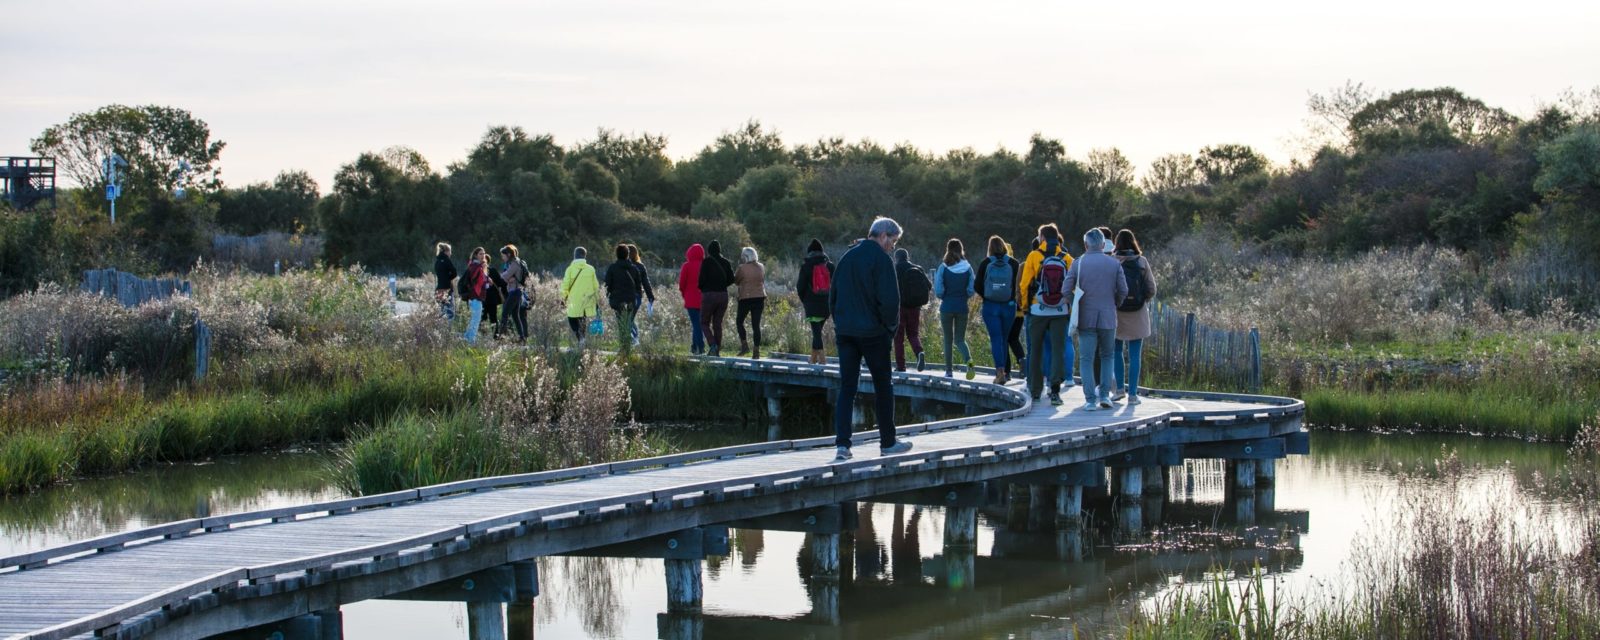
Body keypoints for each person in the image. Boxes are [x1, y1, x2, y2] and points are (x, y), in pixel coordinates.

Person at [830, 217, 915, 462]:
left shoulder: (847, 257)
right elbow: (890, 301)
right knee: (883, 386)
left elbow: (833, 296)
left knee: (847, 387)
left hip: (846, 332)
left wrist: (840, 323)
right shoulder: (881, 260)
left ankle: (842, 446)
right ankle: (888, 442)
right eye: (893, 241)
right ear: (883, 236)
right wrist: (889, 329)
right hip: (873, 333)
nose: (893, 247)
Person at [1064, 228, 1129, 411]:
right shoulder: (1114, 264)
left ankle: (1090, 399)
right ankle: (1105, 395)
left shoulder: (1079, 263)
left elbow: (1065, 289)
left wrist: (1075, 303)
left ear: (1086, 244)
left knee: (1086, 359)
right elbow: (1123, 290)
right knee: (1107, 356)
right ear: (1103, 244)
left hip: (1085, 317)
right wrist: (1114, 303)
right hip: (1108, 317)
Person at [1020, 225, 1075, 405]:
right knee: (1058, 349)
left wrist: (1026, 306)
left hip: (1038, 310)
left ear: (1042, 237)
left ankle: (1036, 390)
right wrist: (1069, 308)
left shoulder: (1034, 256)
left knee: (1035, 349)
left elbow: (1025, 284)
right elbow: (1073, 287)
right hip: (1060, 310)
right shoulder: (1067, 259)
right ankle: (1055, 390)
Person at [1112, 229, 1157, 405]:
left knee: (1116, 351)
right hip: (1138, 313)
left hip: (1117, 312)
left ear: (1117, 243)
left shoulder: (1112, 261)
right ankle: (1133, 395)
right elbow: (1151, 289)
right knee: (1135, 355)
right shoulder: (1142, 261)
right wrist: (1142, 299)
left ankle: (1118, 391)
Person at [973, 235, 1020, 385]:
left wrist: (987, 296)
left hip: (991, 306)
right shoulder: (1013, 263)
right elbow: (1017, 286)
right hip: (1009, 306)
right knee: (1004, 339)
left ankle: (1000, 372)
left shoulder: (986, 263)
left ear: (990, 248)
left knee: (996, 338)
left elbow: (977, 285)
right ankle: (1006, 372)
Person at [933, 238, 976, 379]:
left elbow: (938, 290)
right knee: (960, 340)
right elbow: (971, 290)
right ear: (961, 249)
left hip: (946, 307)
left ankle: (949, 371)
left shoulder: (943, 267)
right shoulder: (968, 267)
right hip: (962, 307)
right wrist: (963, 296)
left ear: (948, 249)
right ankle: (969, 363)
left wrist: (945, 296)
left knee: (948, 340)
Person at [797, 238, 835, 365]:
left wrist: (805, 300)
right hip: (826, 304)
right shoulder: (830, 266)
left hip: (811, 303)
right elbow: (835, 286)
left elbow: (800, 287)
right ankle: (813, 359)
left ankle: (823, 360)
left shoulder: (806, 266)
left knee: (816, 332)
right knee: (817, 331)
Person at [892, 248, 931, 372]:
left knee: (899, 337)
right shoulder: (918, 268)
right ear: (907, 257)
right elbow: (929, 286)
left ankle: (901, 366)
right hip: (915, 307)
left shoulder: (895, 269)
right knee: (913, 334)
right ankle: (919, 352)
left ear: (896, 258)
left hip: (900, 308)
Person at [696, 240, 736, 356]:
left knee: (704, 322)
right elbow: (732, 279)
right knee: (717, 323)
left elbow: (701, 281)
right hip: (723, 295)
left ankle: (713, 345)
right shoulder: (726, 262)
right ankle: (716, 351)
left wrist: (703, 288)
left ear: (709, 251)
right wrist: (722, 286)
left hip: (709, 295)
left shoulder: (706, 262)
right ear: (719, 250)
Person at [559, 246, 601, 345]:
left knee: (572, 319)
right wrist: (596, 299)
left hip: (574, 301)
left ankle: (580, 338)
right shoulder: (591, 269)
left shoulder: (570, 269)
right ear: (585, 256)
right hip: (587, 301)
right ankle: (582, 339)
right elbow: (596, 286)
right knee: (583, 319)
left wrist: (562, 298)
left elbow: (565, 285)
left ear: (574, 256)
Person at [604, 244, 642, 352]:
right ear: (628, 255)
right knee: (629, 321)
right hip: (631, 299)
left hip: (617, 300)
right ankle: (629, 344)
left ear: (617, 254)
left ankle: (624, 346)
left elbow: (607, 285)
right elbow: (638, 286)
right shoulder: (634, 268)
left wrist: (609, 295)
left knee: (621, 322)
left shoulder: (612, 268)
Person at [733, 246, 767, 359]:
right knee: (756, 325)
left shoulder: (742, 268)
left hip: (746, 298)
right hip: (759, 297)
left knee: (739, 321)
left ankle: (744, 346)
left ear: (746, 256)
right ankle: (756, 351)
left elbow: (736, 281)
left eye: (743, 256)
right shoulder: (761, 267)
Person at [499, 245, 530, 343]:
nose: (502, 257)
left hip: (515, 292)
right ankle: (522, 338)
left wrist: (506, 277)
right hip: (516, 291)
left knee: (504, 313)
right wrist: (508, 278)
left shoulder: (514, 263)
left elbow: (504, 276)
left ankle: (501, 337)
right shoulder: (515, 262)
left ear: (508, 254)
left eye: (503, 255)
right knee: (515, 316)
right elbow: (507, 276)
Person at [459, 247, 490, 344]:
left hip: (474, 297)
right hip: (476, 296)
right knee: (475, 321)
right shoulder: (476, 267)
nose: (483, 255)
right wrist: (484, 270)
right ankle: (470, 342)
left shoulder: (474, 265)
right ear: (476, 255)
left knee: (474, 320)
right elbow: (480, 282)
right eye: (480, 254)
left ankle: (466, 339)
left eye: (484, 253)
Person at [679, 244, 706, 355]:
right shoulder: (705, 265)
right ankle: (694, 347)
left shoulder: (686, 266)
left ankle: (700, 347)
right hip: (704, 298)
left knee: (696, 324)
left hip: (690, 299)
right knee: (699, 324)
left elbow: (681, 284)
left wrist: (684, 294)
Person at [627, 244, 655, 346]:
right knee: (630, 318)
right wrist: (650, 297)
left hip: (627, 296)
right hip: (637, 296)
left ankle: (634, 339)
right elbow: (646, 283)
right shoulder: (640, 266)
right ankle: (633, 339)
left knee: (628, 319)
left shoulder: (624, 266)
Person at [433, 242, 457, 320]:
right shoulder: (447, 260)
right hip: (447, 289)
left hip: (439, 289)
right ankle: (448, 331)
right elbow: (454, 273)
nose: (451, 253)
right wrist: (449, 278)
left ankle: (440, 330)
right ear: (446, 251)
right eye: (450, 251)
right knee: (450, 312)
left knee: (441, 311)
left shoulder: (437, 261)